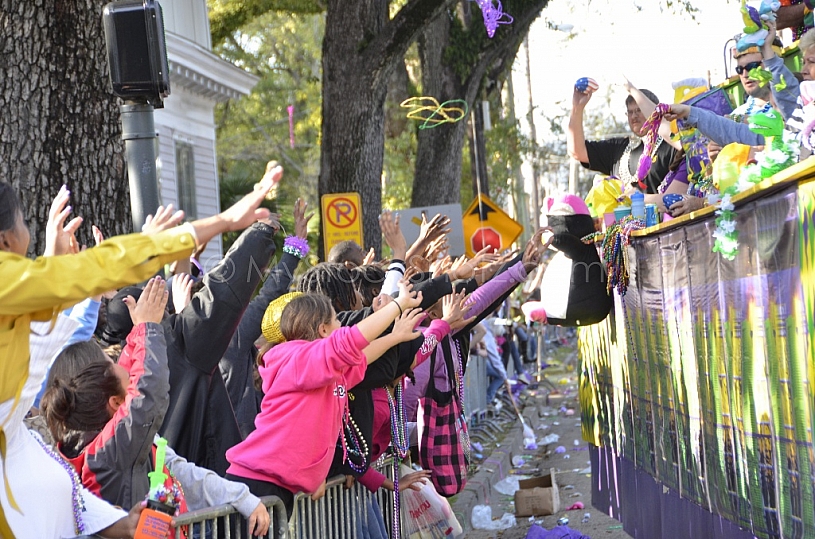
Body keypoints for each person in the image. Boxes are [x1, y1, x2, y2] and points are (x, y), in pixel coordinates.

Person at [0, 175, 275, 538]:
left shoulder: (36, 441)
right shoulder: (108, 447)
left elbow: (44, 328)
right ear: (6, 241)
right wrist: (225, 222)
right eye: (23, 221)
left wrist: (117, 524)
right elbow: (146, 389)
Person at [41, 277, 270, 537]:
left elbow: (126, 381)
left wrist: (138, 334)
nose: (123, 364)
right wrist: (147, 329)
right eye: (112, 363)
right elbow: (148, 391)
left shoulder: (112, 444)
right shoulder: (109, 451)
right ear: (115, 404)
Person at [224, 282, 424, 518]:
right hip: (255, 485)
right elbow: (350, 342)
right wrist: (397, 305)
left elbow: (360, 357)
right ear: (323, 330)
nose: (343, 326)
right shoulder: (297, 358)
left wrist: (394, 337)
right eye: (337, 321)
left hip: (275, 489)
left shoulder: (325, 371)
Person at [568, 83, 676, 194]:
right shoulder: (618, 148)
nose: (634, 116)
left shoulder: (672, 145)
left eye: (639, 110)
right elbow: (577, 152)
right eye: (630, 112)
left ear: (653, 111)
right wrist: (577, 107)